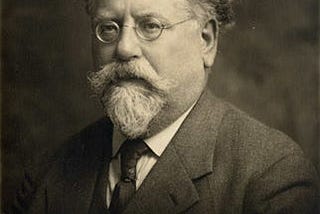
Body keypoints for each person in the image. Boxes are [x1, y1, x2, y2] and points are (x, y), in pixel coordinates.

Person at [10, 0, 318, 213]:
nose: (124, 48)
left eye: (150, 26)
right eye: (108, 27)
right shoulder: (47, 174)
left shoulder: (270, 177)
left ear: (206, 40)